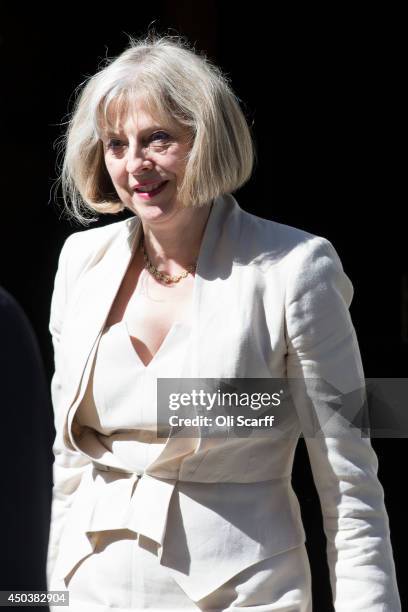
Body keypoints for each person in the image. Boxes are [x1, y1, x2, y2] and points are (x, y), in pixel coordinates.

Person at [46, 32, 401, 611]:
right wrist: (49, 598)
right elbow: (68, 466)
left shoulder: (295, 268)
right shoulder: (80, 263)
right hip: (92, 592)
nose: (134, 164)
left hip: (245, 596)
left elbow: (349, 476)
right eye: (115, 144)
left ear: (206, 139)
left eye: (158, 138)